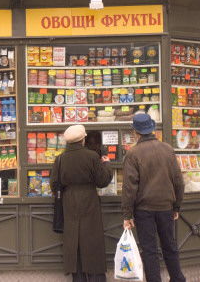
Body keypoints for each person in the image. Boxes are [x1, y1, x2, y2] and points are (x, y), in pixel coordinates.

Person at [122, 113, 186, 282]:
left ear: (135, 132)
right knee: (170, 246)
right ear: (153, 129)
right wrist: (176, 206)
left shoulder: (133, 154)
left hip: (144, 210)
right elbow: (179, 180)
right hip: (166, 207)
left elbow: (129, 187)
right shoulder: (168, 149)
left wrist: (127, 214)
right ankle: (178, 278)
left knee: (149, 250)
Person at [50, 125, 113, 282]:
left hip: (69, 202)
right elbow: (103, 181)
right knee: (92, 241)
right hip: (89, 201)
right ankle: (96, 277)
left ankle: (77, 277)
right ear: (83, 140)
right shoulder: (92, 157)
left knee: (73, 242)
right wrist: (107, 165)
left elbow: (54, 184)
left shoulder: (60, 159)